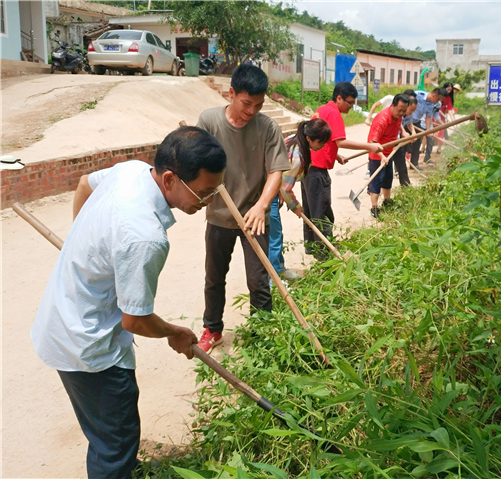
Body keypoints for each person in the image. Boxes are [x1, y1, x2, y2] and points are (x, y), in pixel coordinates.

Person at [31, 126, 227, 479]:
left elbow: (84, 185)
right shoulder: (145, 237)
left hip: (62, 321)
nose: (208, 200)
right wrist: (174, 332)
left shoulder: (132, 170)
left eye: (215, 190)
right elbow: (134, 320)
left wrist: (88, 243)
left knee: (108, 433)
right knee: (115, 441)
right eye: (203, 192)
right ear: (170, 179)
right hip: (90, 347)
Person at [196, 64, 290, 353]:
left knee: (259, 280)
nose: (252, 111)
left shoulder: (267, 127)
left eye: (258, 105)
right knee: (214, 278)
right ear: (231, 93)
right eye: (246, 103)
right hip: (219, 215)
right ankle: (212, 329)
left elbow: (276, 171)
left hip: (254, 217)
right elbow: (196, 162)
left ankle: (262, 334)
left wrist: (262, 206)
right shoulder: (209, 121)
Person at [302, 81, 383, 259]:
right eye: (349, 102)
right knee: (322, 213)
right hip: (317, 172)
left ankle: (312, 247)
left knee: (311, 210)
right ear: (339, 98)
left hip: (308, 169)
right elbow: (340, 141)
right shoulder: (334, 113)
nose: (351, 107)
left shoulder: (322, 110)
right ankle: (325, 254)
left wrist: (334, 155)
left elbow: (323, 140)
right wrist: (370, 146)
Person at [268, 119, 332, 274]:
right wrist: (295, 206)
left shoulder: (295, 139)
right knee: (274, 237)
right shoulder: (297, 157)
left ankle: (280, 269)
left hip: (273, 187)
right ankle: (274, 278)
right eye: (320, 143)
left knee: (275, 234)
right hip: (267, 192)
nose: (322, 146)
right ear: (309, 138)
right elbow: (285, 189)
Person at [366, 94, 410, 218]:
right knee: (376, 180)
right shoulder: (382, 119)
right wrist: (382, 156)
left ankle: (387, 201)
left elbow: (399, 123)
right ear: (392, 105)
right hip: (377, 154)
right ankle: (374, 207)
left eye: (404, 110)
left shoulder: (398, 116)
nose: (401, 113)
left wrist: (404, 133)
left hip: (389, 152)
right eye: (399, 110)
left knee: (388, 177)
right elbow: (372, 142)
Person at [407, 87, 447, 169]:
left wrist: (428, 130)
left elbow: (428, 117)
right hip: (406, 121)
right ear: (434, 95)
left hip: (416, 122)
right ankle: (398, 169)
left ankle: (414, 164)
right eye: (439, 99)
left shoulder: (432, 104)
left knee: (417, 143)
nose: (439, 101)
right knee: (403, 145)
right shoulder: (417, 94)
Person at [390, 93, 418, 187]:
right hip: (388, 141)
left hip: (396, 141)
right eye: (411, 109)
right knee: (383, 166)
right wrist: (403, 132)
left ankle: (406, 185)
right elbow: (398, 123)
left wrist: (413, 133)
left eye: (414, 110)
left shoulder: (407, 114)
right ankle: (372, 188)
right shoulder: (397, 112)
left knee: (401, 163)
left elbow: (409, 124)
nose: (412, 111)